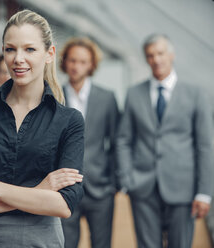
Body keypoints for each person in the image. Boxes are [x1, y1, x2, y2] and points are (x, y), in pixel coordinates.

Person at [0, 9, 85, 248]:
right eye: (10, 49)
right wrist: (40, 191)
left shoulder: (69, 120)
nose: (18, 59)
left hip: (41, 241)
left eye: (29, 49)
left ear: (49, 54)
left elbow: (63, 206)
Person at [116, 34, 214, 248]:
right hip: (142, 188)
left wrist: (204, 192)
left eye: (160, 53)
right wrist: (127, 179)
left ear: (171, 55)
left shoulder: (196, 94)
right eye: (150, 55)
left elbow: (205, 146)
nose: (156, 60)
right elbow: (123, 140)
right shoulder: (134, 94)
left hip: (183, 189)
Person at [60, 37, 119, 248]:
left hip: (101, 189)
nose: (76, 66)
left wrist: (113, 181)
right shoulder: (53, 97)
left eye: (83, 61)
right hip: (63, 188)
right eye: (72, 60)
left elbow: (116, 141)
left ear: (92, 64)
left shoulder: (107, 98)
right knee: (65, 244)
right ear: (64, 62)